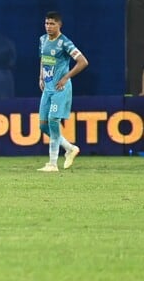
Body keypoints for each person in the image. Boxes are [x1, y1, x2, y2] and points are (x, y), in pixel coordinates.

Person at [37, 11, 88, 172]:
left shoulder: (65, 43)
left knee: (53, 121)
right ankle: (70, 148)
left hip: (60, 88)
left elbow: (83, 62)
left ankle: (52, 164)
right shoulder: (43, 39)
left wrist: (66, 78)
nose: (48, 27)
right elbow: (43, 59)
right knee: (43, 126)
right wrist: (40, 76)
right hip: (48, 88)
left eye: (52, 24)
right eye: (46, 23)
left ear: (60, 25)